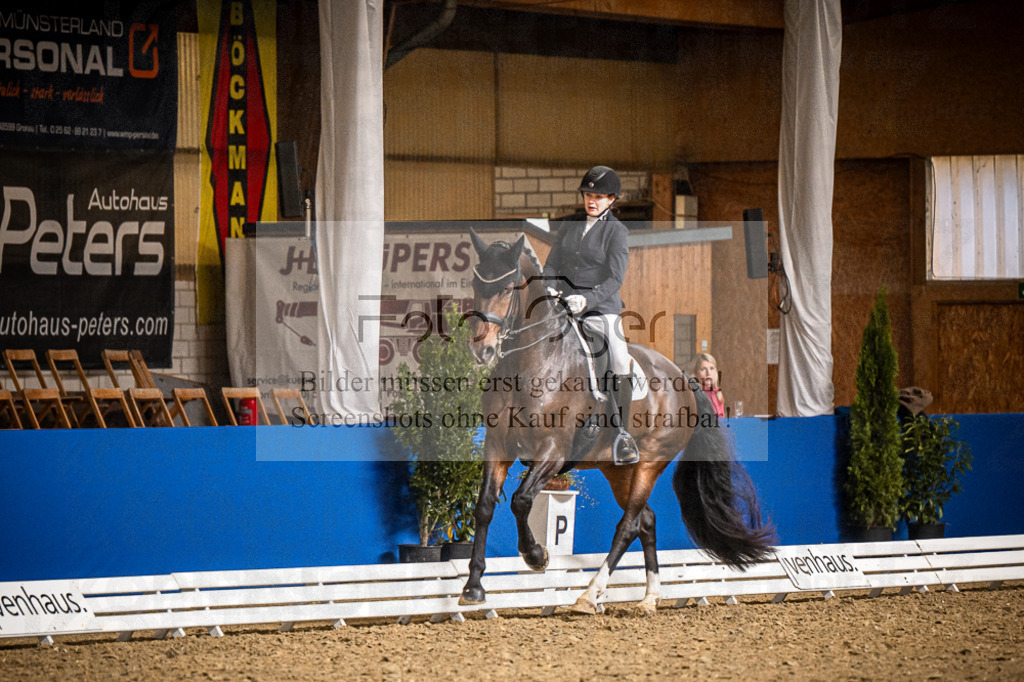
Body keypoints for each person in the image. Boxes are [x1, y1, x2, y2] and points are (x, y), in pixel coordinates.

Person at [542, 165, 638, 465]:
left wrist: (587, 299)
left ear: (611, 199)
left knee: (619, 358)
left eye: (598, 197)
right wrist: (550, 287)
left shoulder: (616, 232)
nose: (591, 201)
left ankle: (622, 433)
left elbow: (615, 279)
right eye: (587, 195)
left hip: (600, 308)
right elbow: (551, 264)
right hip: (562, 305)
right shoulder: (569, 225)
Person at [692, 352, 725, 419]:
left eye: (712, 368)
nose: (708, 373)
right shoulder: (693, 395)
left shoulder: (718, 393)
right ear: (695, 373)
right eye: (703, 369)